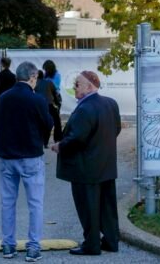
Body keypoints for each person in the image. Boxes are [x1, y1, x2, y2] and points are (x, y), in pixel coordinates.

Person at [52, 70, 121, 256]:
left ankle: (92, 245)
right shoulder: (111, 103)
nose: (74, 87)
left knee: (88, 208)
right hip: (106, 165)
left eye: (77, 84)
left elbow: (77, 138)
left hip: (85, 168)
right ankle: (111, 241)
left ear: (89, 87)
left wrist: (60, 146)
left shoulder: (84, 109)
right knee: (107, 206)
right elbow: (116, 129)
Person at [0, 61, 54, 262]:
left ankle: (8, 245)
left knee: (7, 202)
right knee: (35, 203)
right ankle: (33, 247)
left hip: (7, 156)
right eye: (35, 78)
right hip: (30, 155)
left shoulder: (4, 97)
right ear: (32, 77)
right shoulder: (37, 99)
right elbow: (48, 123)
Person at [35, 63, 62, 143]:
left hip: (40, 104)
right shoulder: (49, 82)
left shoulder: (35, 83)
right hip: (50, 104)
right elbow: (55, 92)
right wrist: (57, 103)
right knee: (56, 121)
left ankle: (43, 139)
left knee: (42, 122)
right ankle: (57, 138)